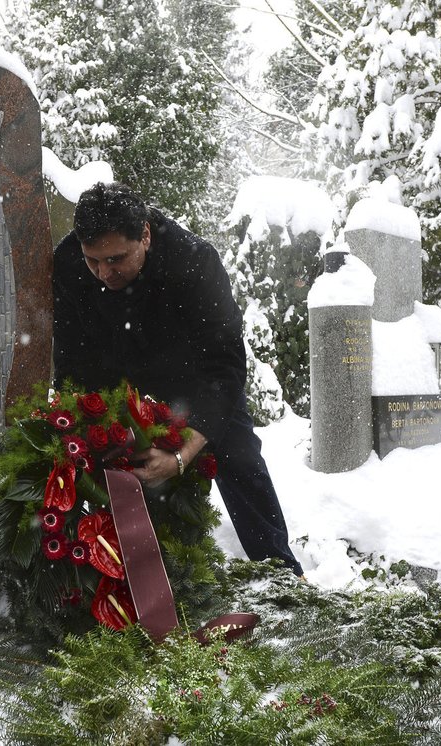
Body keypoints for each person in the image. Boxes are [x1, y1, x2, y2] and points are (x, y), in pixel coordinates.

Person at [52, 181, 303, 575]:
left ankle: (280, 571)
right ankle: (124, 573)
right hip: (118, 381)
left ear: (146, 236)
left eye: (117, 259)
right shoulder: (67, 262)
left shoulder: (194, 261)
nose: (104, 273)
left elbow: (227, 365)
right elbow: (71, 362)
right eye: (93, 261)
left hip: (196, 379)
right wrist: (94, 425)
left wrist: (184, 454)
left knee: (238, 454)